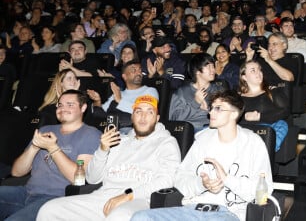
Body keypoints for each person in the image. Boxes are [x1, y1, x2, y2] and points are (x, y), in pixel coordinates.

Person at [131, 90, 273, 221]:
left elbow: (264, 190)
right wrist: (201, 184)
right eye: (211, 108)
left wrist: (227, 179)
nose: (211, 112)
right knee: (140, 217)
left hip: (228, 213)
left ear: (234, 114)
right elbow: (180, 178)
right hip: (192, 209)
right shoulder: (202, 140)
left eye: (218, 108)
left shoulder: (253, 143)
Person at [37, 95, 181, 221]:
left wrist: (128, 195)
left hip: (139, 199)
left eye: (149, 112)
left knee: (118, 216)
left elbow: (167, 180)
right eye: (138, 111)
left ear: (157, 118)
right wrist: (103, 149)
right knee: (49, 210)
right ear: (132, 117)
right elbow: (92, 179)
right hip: (103, 197)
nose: (143, 117)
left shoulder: (166, 143)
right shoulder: (118, 141)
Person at [0, 91, 101, 220]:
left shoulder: (91, 135)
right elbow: (16, 172)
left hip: (55, 200)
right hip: (26, 192)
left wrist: (53, 148)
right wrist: (34, 147)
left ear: (83, 107)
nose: (62, 108)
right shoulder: (45, 130)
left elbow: (78, 179)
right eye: (60, 105)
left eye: (70, 104)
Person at [88, 60, 159, 131]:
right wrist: (97, 101)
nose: (138, 73)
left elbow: (147, 114)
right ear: (124, 76)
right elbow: (101, 115)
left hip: (133, 130)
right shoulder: (118, 93)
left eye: (140, 70)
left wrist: (120, 100)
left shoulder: (150, 91)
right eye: (133, 70)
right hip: (111, 130)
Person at [169, 54, 228, 132]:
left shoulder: (220, 90)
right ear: (197, 71)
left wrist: (208, 110)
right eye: (208, 66)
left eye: (213, 66)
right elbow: (174, 119)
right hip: (189, 133)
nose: (213, 70)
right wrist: (195, 103)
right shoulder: (182, 92)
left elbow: (228, 114)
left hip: (214, 131)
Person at [239, 60, 290, 127]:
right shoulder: (238, 96)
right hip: (243, 131)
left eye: (259, 69)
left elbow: (285, 111)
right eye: (253, 70)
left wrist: (259, 117)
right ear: (244, 77)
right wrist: (244, 116)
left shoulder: (272, 91)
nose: (258, 73)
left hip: (266, 130)